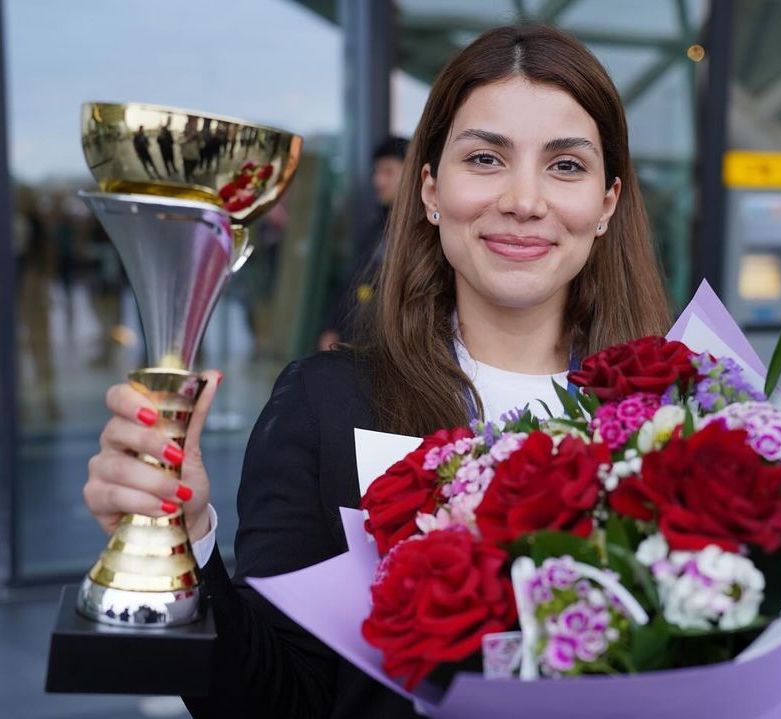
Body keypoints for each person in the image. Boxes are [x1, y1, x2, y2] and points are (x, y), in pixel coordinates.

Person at [82, 24, 670, 718]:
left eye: (565, 165)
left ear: (606, 204)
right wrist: (191, 538)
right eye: (485, 158)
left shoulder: (674, 417)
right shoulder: (328, 406)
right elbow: (272, 703)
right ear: (428, 189)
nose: (524, 199)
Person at [317, 135, 410, 351]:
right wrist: (333, 328)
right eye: (377, 172)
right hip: (353, 348)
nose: (378, 181)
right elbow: (352, 282)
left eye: (388, 172)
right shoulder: (377, 228)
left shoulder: (424, 234)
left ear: (414, 173)